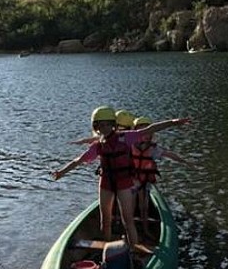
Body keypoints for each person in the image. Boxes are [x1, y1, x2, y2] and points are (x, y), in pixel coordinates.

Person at [52, 106, 190, 249]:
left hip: (124, 182)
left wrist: (173, 122)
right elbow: (78, 161)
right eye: (100, 125)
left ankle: (134, 249)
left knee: (128, 220)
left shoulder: (126, 137)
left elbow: (149, 129)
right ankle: (107, 249)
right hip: (105, 182)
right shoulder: (98, 145)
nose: (104, 128)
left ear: (113, 125)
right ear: (95, 126)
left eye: (107, 124)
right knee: (105, 219)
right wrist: (62, 172)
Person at [131, 116, 192, 238]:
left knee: (144, 207)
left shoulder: (153, 149)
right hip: (132, 180)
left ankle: (145, 229)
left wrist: (185, 162)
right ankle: (128, 230)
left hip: (145, 182)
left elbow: (169, 154)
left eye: (148, 132)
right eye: (143, 131)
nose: (146, 134)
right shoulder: (129, 146)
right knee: (130, 207)